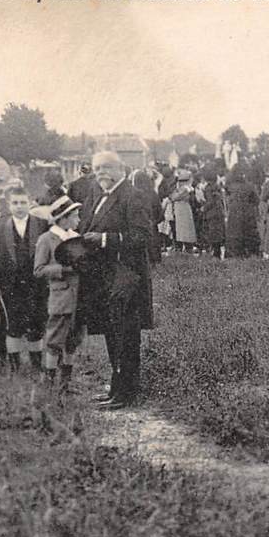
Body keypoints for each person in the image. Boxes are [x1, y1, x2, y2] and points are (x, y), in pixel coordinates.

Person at [77, 151, 153, 410]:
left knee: (126, 335)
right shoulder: (95, 196)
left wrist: (106, 239)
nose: (101, 172)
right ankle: (117, 387)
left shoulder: (133, 196)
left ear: (121, 168)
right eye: (97, 168)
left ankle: (127, 393)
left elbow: (143, 237)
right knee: (112, 333)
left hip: (126, 277)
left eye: (107, 167)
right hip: (102, 277)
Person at [0, 186, 48, 373]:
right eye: (15, 203)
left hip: (36, 285)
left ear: (30, 202)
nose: (19, 207)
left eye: (23, 202)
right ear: (9, 204)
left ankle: (36, 364)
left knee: (36, 324)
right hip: (10, 286)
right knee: (12, 325)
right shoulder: (0, 228)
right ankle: (15, 366)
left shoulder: (41, 224)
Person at [33, 195, 84, 394]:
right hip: (60, 297)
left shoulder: (75, 238)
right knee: (54, 341)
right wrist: (64, 269)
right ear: (63, 218)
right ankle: (49, 382)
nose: (78, 220)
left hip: (79, 297)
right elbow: (38, 270)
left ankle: (65, 384)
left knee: (73, 340)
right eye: (75, 216)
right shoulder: (46, 239)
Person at [225, 164, 262, 258]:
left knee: (234, 234)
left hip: (234, 213)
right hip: (247, 213)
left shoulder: (229, 185)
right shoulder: (249, 186)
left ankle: (233, 254)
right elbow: (257, 200)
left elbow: (227, 197)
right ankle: (250, 254)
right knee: (249, 234)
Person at [199, 171, 226, 258]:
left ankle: (215, 253)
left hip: (211, 213)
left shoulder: (208, 188)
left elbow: (210, 201)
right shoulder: (217, 186)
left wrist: (203, 208)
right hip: (219, 212)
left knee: (212, 233)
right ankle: (218, 252)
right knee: (218, 233)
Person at [170, 170, 197, 253]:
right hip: (183, 210)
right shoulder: (187, 189)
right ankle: (187, 247)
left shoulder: (185, 189)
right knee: (185, 230)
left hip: (182, 211)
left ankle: (184, 247)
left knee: (183, 230)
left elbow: (173, 197)